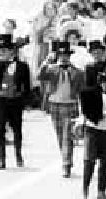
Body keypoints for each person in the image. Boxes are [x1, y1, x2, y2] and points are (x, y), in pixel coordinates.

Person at [38, 40, 85, 177]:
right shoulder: (52, 68)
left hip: (70, 105)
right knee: (59, 135)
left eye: (66, 55)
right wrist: (47, 60)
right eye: (61, 55)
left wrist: (82, 110)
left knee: (67, 136)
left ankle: (66, 163)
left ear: (69, 56)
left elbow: (82, 91)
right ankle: (65, 158)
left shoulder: (77, 72)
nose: (63, 57)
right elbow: (40, 75)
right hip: (54, 104)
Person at [0, 34, 31, 170]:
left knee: (17, 129)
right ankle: (1, 160)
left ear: (12, 51)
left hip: (15, 100)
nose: (2, 52)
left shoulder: (22, 66)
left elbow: (26, 85)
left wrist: (27, 101)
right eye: (1, 50)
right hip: (0, 100)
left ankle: (18, 155)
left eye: (5, 50)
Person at [79, 66, 106, 199]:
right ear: (100, 82)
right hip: (93, 130)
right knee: (89, 161)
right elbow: (88, 112)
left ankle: (101, 190)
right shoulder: (89, 93)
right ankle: (85, 188)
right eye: (105, 83)